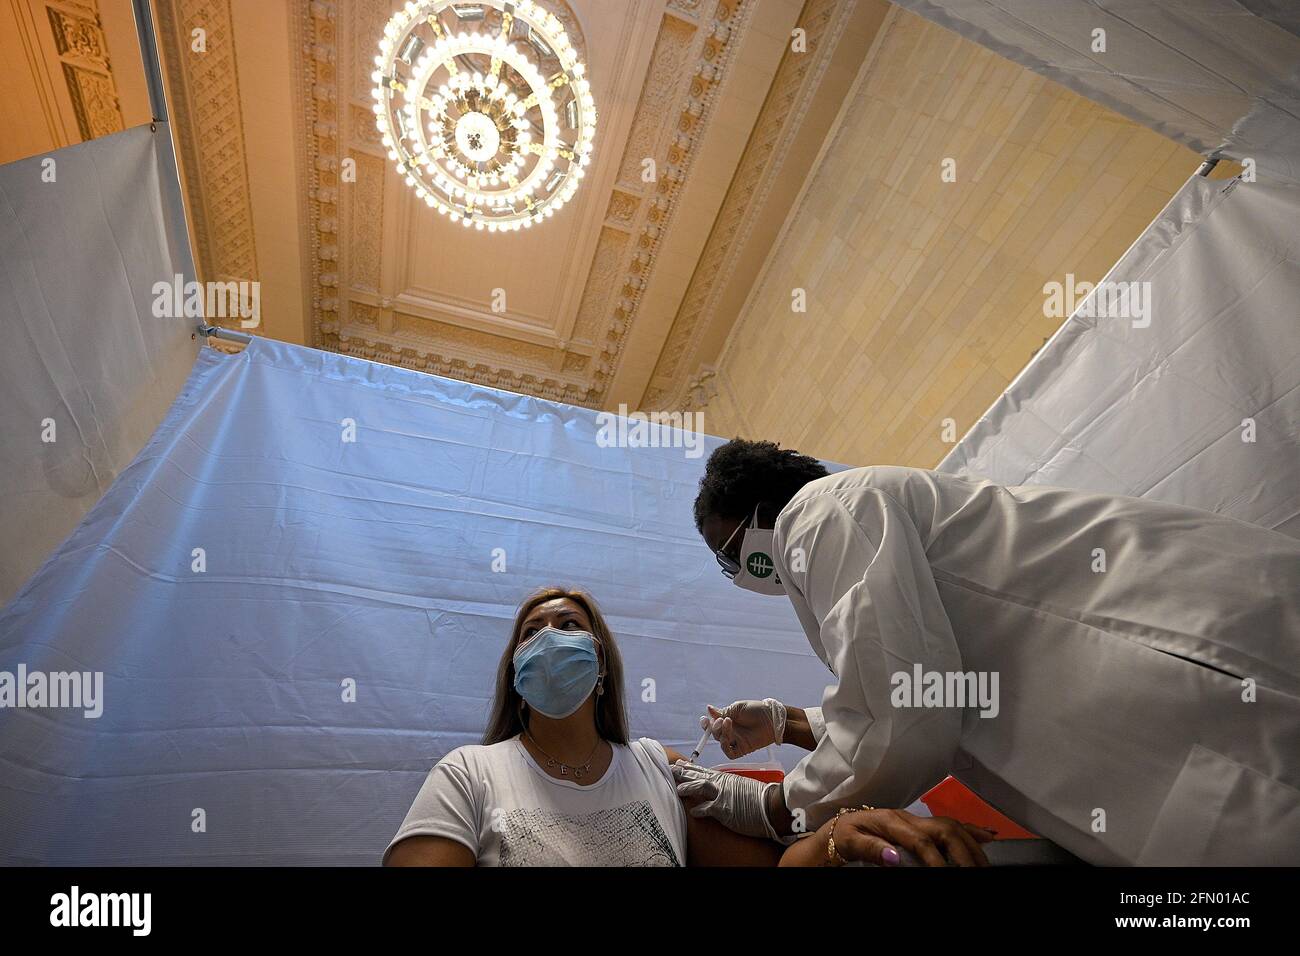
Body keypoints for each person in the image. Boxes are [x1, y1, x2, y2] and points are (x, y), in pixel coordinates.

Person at [674, 439, 1300, 865]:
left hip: (1201, 678)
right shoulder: (865, 511)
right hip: (1186, 674)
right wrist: (793, 723)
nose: (735, 571)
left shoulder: (819, 511)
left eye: (727, 553)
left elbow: (909, 713)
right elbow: (950, 684)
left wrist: (773, 804)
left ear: (756, 514)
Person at [385, 586, 990, 866]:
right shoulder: (469, 774)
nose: (549, 638)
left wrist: (839, 838)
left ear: (599, 667)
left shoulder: (653, 763)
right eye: (531, 632)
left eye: (569, 625)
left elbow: (776, 824)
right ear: (515, 676)